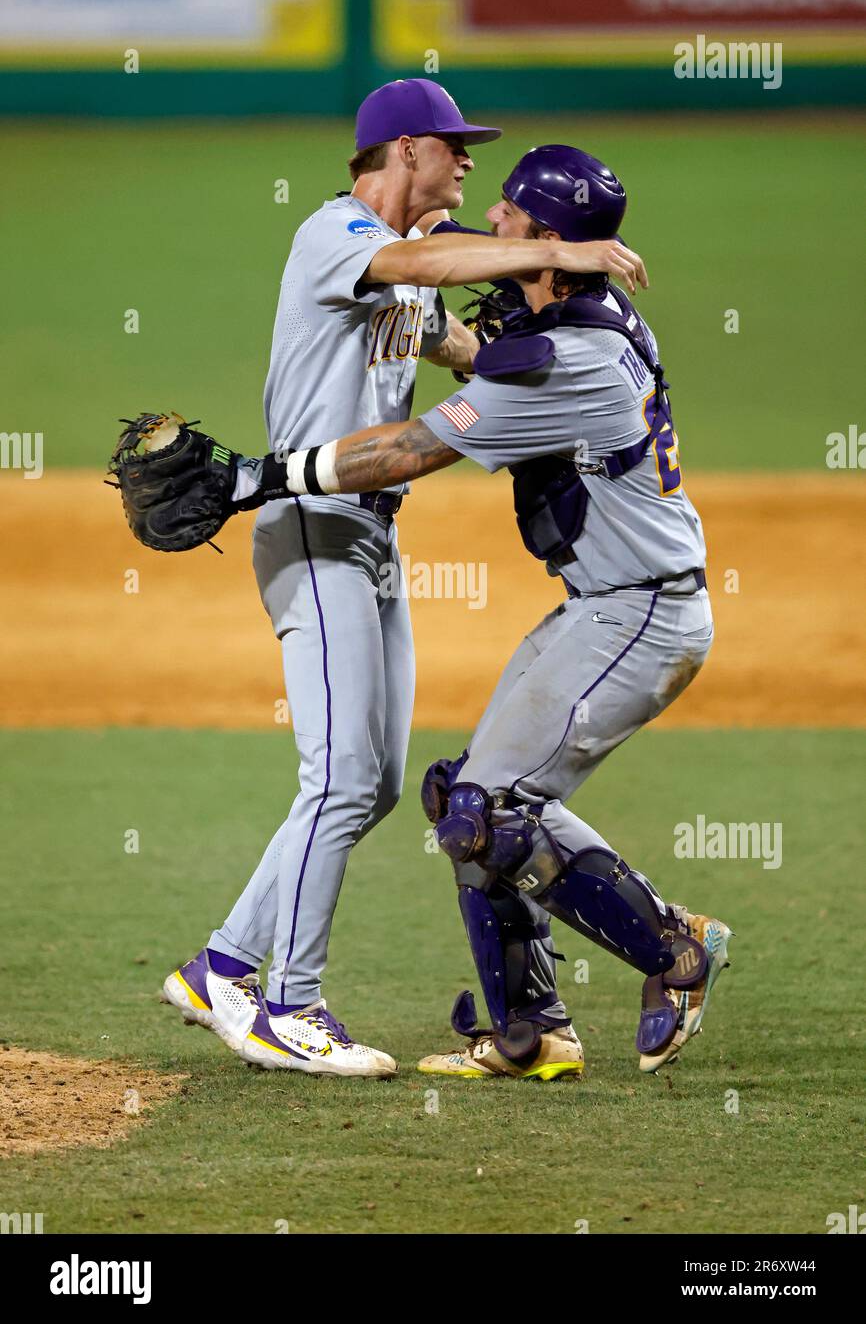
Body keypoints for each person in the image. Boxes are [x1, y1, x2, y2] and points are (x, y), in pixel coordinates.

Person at [161, 85, 648, 1079]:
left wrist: (531, 371)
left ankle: (223, 967)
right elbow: (417, 261)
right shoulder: (335, 233)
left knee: (370, 783)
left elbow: (446, 336)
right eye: (456, 152)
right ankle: (287, 1003)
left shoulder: (404, 265)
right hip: (311, 523)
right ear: (409, 149)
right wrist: (555, 250)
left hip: (367, 538)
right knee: (336, 778)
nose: (467, 168)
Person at [267, 144, 732, 1079]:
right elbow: (478, 355)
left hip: (641, 618)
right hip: (607, 607)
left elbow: (406, 450)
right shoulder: (577, 315)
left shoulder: (571, 359)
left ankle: (677, 954)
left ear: (551, 242)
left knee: (488, 810)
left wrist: (264, 477)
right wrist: (429, 318)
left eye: (511, 222)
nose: (492, 233)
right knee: (461, 803)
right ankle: (531, 1032)